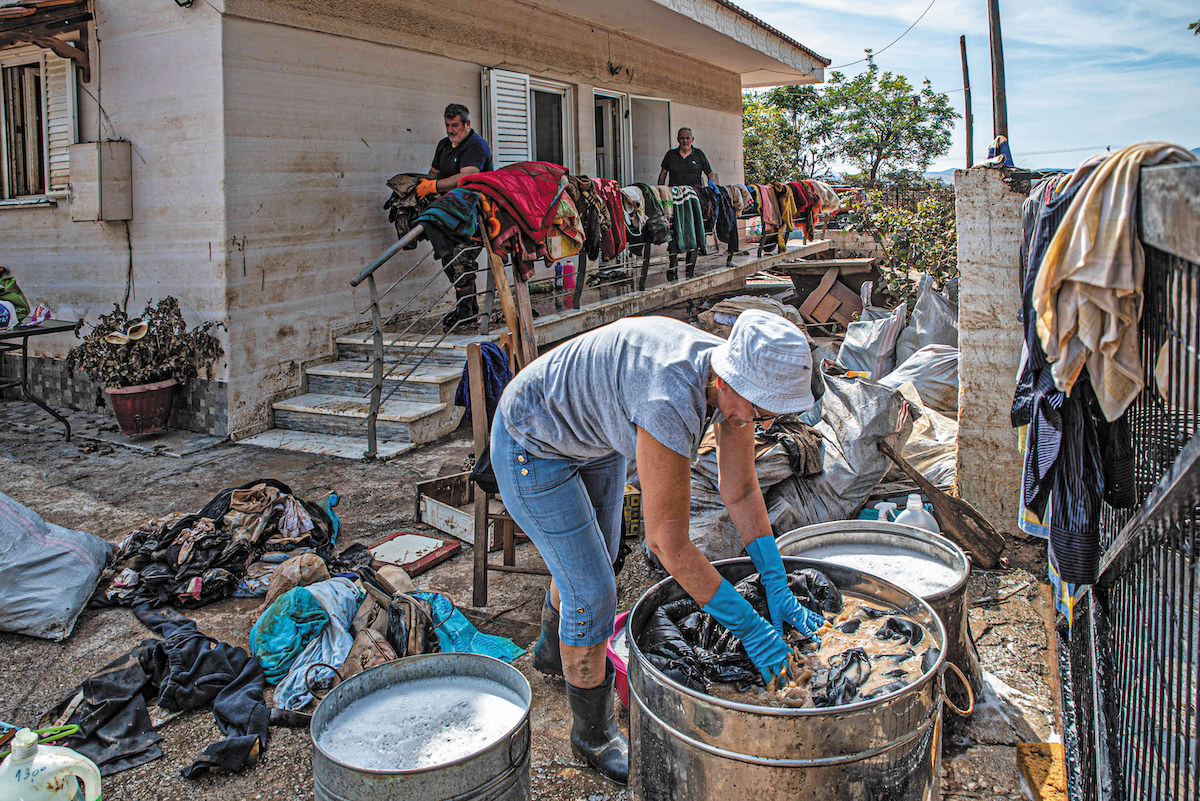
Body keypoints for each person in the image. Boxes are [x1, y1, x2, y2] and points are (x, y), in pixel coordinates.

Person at [491, 310, 822, 785]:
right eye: (760, 409)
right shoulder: (671, 398)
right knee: (593, 593)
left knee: (594, 559)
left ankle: (551, 650)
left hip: (591, 433)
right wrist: (750, 626)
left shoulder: (733, 386)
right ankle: (593, 735)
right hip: (530, 437)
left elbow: (742, 490)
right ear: (728, 378)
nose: (762, 421)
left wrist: (776, 580)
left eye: (771, 413)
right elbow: (666, 543)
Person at [418, 103, 494, 330]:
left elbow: (465, 179)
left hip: (476, 216)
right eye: (447, 125)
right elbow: (433, 174)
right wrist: (422, 185)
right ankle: (466, 309)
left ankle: (466, 313)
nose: (451, 130)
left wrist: (433, 187)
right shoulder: (444, 145)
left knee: (461, 260)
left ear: (467, 124)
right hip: (451, 214)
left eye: (455, 126)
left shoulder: (475, 145)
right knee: (449, 260)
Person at [657, 128, 715, 281]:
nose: (685, 141)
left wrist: (711, 184)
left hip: (693, 200)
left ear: (692, 139)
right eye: (682, 138)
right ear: (678, 140)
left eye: (688, 138)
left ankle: (690, 270)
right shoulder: (671, 155)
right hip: (674, 200)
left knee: (693, 231)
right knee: (674, 232)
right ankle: (673, 266)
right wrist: (661, 192)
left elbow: (709, 173)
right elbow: (663, 175)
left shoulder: (699, 154)